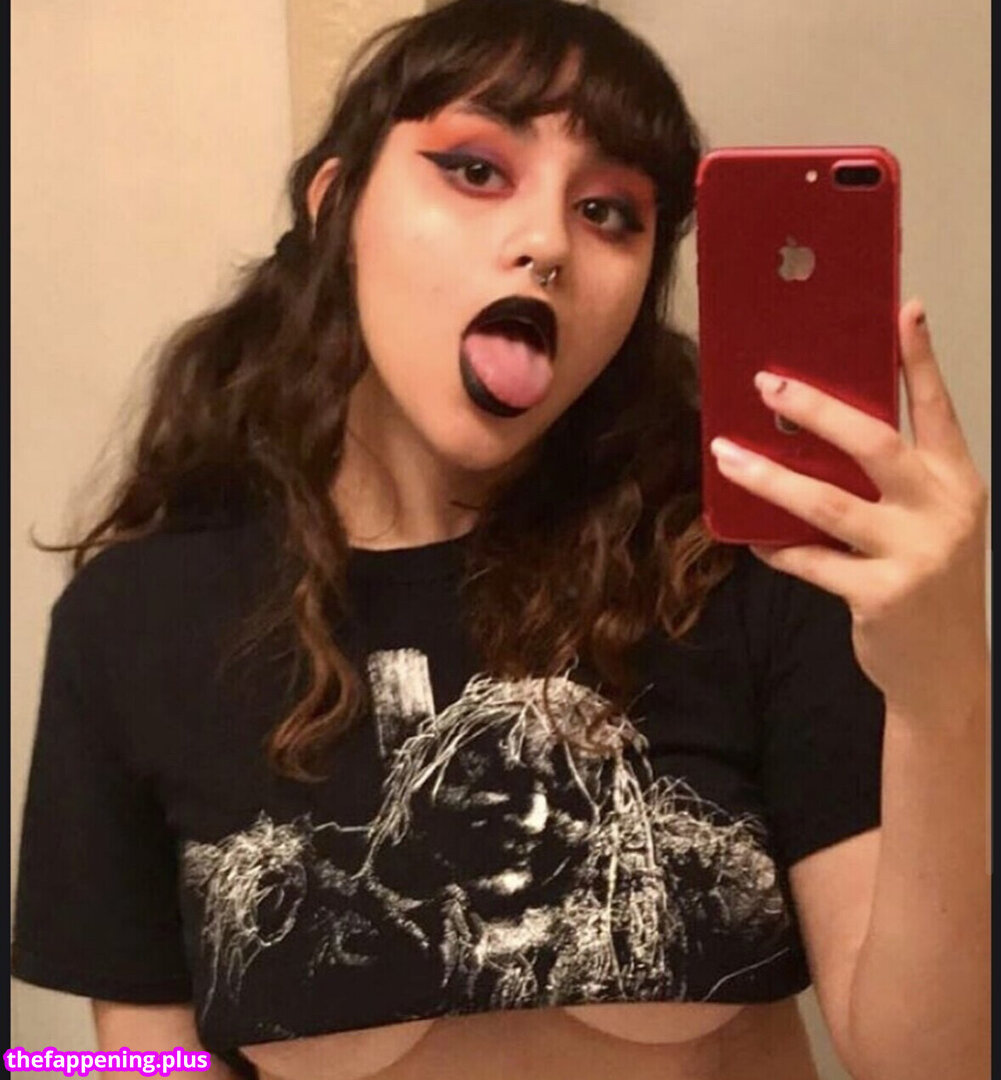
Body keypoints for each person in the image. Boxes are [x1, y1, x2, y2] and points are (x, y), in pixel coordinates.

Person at [11, 1, 989, 1078]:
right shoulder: (136, 621)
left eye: (608, 211)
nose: (547, 243)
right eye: (475, 170)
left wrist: (941, 688)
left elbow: (935, 1065)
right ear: (335, 206)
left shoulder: (739, 566)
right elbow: (136, 1064)